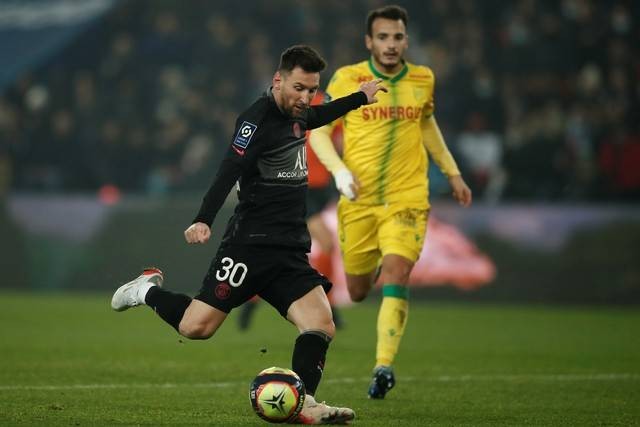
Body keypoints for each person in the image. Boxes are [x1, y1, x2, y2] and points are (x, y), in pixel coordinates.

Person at [111, 45, 385, 424]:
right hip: (248, 246)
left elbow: (320, 115)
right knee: (196, 327)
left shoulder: (300, 114)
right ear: (278, 80)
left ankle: (305, 405)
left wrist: (359, 98)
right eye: (299, 88)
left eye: (312, 90)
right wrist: (203, 218)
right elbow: (228, 169)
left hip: (288, 249)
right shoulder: (254, 122)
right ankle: (145, 289)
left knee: (321, 324)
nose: (306, 98)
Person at [309, 5, 472, 400]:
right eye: (383, 37)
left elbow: (426, 123)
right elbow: (318, 132)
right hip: (359, 202)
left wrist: (451, 172)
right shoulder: (348, 78)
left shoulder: (422, 78)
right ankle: (376, 258)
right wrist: (340, 172)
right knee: (361, 289)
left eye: (397, 37)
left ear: (406, 40)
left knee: (397, 273)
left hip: (407, 199)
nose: (391, 44)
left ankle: (383, 367)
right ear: (369, 42)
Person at [237, 90, 345, 331]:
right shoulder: (286, 104)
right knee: (324, 244)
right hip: (299, 184)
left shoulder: (326, 104)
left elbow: (339, 143)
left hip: (316, 186)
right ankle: (330, 306)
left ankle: (250, 301)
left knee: (282, 251)